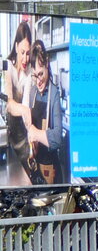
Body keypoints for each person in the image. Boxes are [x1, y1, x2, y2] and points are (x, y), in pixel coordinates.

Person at [25, 39, 67, 185]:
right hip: (36, 164)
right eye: (35, 75)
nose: (38, 81)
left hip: (51, 169)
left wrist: (35, 132)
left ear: (47, 64)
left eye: (41, 74)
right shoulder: (32, 92)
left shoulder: (54, 93)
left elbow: (56, 139)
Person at [5, 20, 33, 187]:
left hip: (22, 141)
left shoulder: (29, 73)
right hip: (8, 139)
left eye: (28, 53)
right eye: (22, 52)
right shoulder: (6, 66)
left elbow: (27, 103)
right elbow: (9, 103)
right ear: (16, 47)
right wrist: (24, 110)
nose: (25, 58)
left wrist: (32, 139)